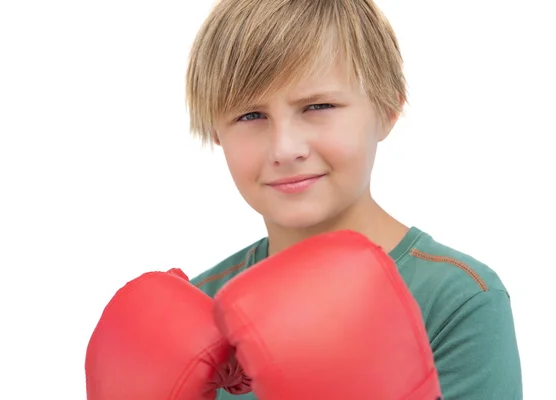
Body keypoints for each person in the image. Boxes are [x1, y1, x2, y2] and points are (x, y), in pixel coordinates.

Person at [186, 0, 523, 398]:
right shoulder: (197, 310)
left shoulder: (458, 301)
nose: (285, 148)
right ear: (214, 132)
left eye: (318, 106)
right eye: (250, 116)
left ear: (388, 109)